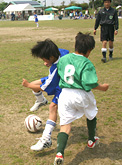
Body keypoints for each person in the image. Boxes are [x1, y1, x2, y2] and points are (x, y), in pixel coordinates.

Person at [54, 32, 109, 165]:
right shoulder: (86, 62)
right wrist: (103, 87)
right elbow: (88, 83)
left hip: (65, 94)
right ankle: (91, 140)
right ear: (89, 50)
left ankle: (59, 153)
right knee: (91, 115)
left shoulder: (64, 59)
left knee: (65, 125)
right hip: (82, 95)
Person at [22, 40, 69, 151]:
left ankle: (46, 138)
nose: (43, 61)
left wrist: (27, 85)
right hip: (56, 77)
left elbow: (43, 87)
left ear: (52, 57)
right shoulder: (61, 52)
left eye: (44, 59)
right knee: (34, 83)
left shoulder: (55, 68)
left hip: (62, 85)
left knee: (52, 107)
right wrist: (50, 62)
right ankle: (41, 101)